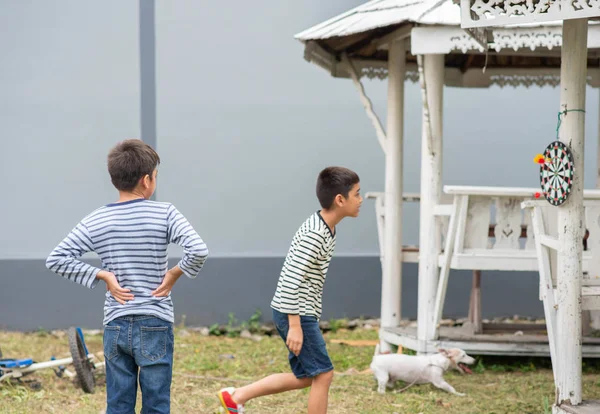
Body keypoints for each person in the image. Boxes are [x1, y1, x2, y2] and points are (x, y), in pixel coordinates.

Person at [46, 138, 208, 414]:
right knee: (156, 402)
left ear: (114, 179)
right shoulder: (165, 213)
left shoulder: (97, 219)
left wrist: (103, 275)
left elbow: (56, 259)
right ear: (147, 180)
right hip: (155, 321)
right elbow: (199, 250)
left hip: (116, 323)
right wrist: (174, 274)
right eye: (155, 176)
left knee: (118, 403)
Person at [218, 166, 362, 414]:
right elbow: (290, 281)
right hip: (295, 312)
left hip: (299, 312)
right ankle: (237, 397)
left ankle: (237, 397)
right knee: (324, 375)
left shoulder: (327, 226)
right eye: (357, 194)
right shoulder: (315, 234)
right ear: (340, 200)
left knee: (308, 376)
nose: (361, 200)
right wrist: (295, 325)